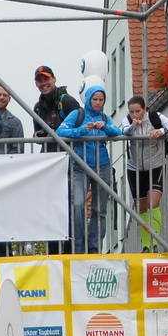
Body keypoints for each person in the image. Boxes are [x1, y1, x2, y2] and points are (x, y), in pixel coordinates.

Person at [55, 79, 124, 253]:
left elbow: (119, 132)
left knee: (99, 209)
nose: (98, 103)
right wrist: (81, 131)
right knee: (78, 204)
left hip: (103, 165)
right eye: (95, 99)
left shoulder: (104, 117)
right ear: (88, 100)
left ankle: (94, 247)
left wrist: (106, 127)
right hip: (80, 166)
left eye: (101, 100)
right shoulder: (77, 114)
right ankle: (78, 247)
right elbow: (60, 132)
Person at [122, 94, 168, 251]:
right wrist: (133, 126)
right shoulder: (128, 121)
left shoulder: (156, 117)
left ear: (145, 109)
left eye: (137, 111)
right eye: (131, 112)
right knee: (141, 207)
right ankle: (146, 245)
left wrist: (162, 131)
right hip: (135, 168)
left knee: (153, 203)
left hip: (155, 165)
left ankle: (155, 242)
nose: (134, 115)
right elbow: (123, 131)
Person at [0, 85, 24, 154]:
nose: (1, 97)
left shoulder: (15, 123)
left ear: (9, 99)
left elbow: (18, 149)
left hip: (6, 163)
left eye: (5, 95)